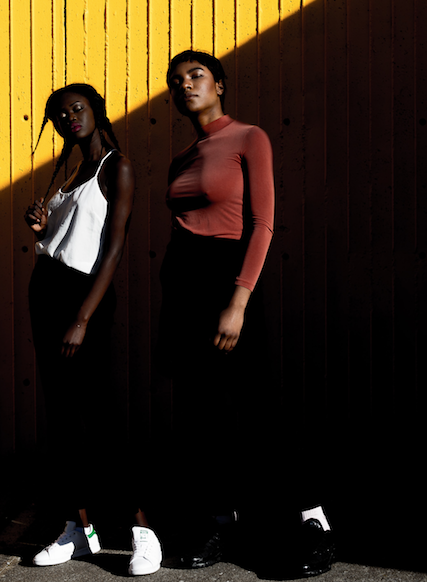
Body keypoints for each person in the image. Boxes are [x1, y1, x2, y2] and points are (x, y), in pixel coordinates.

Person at [158, 51, 335, 577]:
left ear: (220, 85)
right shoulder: (183, 157)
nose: (185, 85)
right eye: (177, 81)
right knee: (200, 415)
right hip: (184, 287)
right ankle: (218, 524)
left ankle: (311, 524)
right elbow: (182, 228)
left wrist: (238, 301)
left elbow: (262, 224)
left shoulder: (249, 138)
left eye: (196, 76)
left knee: (260, 410)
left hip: (227, 281)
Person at [24, 83, 162, 576]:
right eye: (60, 116)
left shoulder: (114, 167)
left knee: (99, 418)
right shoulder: (65, 173)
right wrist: (41, 230)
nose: (69, 119)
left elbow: (112, 249)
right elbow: (62, 242)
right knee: (62, 421)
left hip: (84, 301)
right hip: (46, 294)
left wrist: (82, 319)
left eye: (77, 109)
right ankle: (78, 530)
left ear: (96, 111)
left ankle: (140, 528)